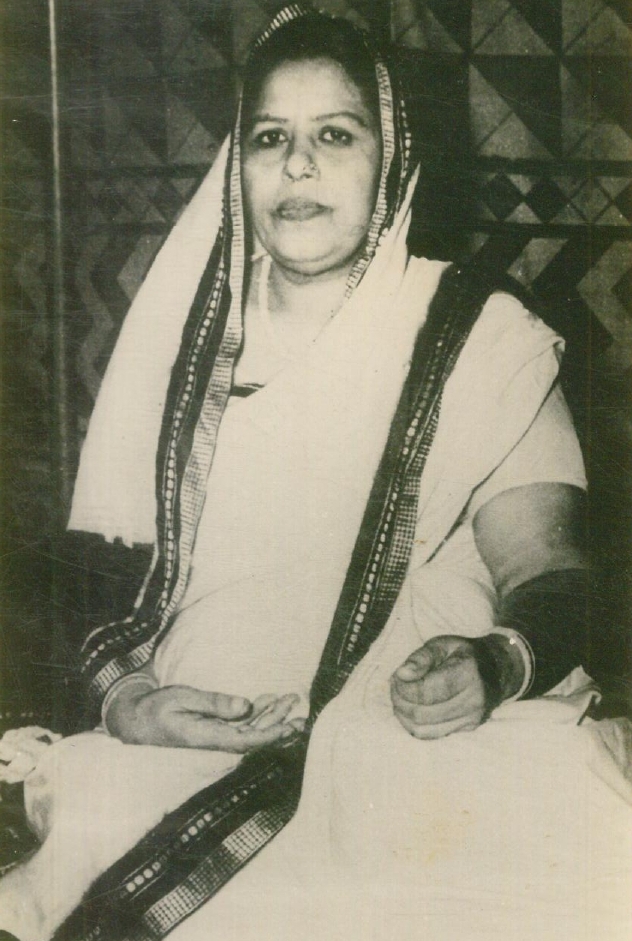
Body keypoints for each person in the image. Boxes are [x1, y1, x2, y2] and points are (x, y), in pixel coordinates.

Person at [1, 6, 631, 940]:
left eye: (336, 134)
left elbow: (550, 570)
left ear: (394, 161)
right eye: (270, 138)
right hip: (199, 728)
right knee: (108, 816)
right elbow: (99, 576)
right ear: (239, 165)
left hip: (418, 732)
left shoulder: (478, 335)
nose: (298, 166)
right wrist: (132, 704)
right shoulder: (178, 350)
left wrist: (496, 663)